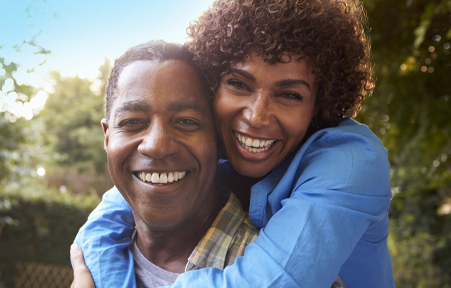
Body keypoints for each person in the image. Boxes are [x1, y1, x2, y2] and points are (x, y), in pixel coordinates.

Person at [73, 0, 395, 287]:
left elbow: (272, 281)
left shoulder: (352, 161)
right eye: (238, 84)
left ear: (319, 105)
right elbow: (116, 211)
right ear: (215, 87)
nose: (256, 116)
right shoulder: (218, 140)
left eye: (289, 95)